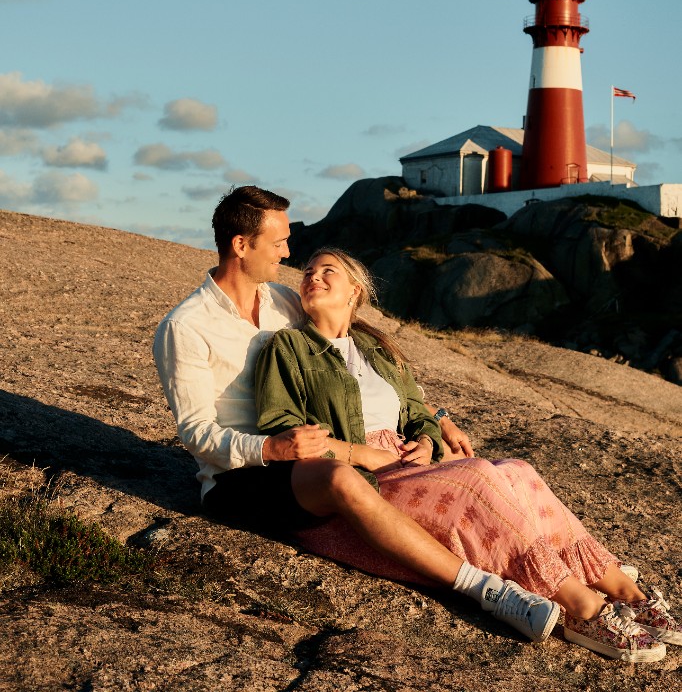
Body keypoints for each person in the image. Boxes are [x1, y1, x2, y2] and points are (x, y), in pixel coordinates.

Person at [154, 185, 560, 645]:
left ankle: (559, 562)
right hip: (240, 476)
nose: (289, 251)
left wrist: (434, 415)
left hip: (306, 454)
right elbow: (194, 432)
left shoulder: (284, 303)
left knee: (484, 470)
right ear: (241, 245)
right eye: (279, 242)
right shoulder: (185, 326)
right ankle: (484, 589)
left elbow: (359, 360)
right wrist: (272, 447)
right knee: (342, 477)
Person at [255, 246, 682, 663]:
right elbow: (282, 429)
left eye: (327, 270)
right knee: (476, 475)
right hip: (360, 476)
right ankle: (581, 608)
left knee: (519, 471)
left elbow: (417, 413)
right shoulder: (288, 348)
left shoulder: (379, 351)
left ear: (354, 291)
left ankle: (624, 590)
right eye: (308, 270)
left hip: (407, 465)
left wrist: (425, 441)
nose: (312, 276)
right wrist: (362, 454)